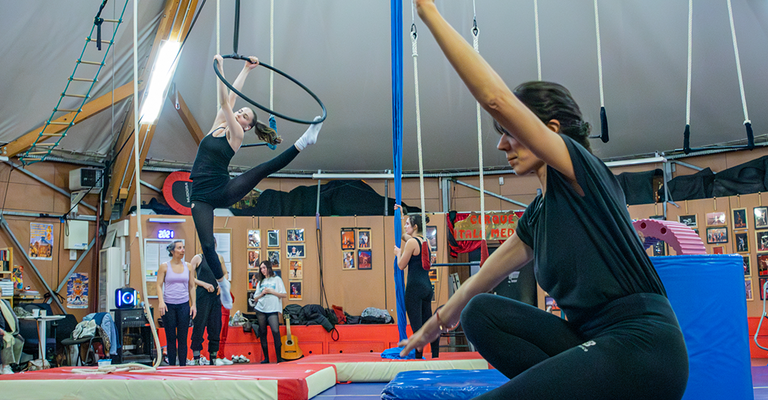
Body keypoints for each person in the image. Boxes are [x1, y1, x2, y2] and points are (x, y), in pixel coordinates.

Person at [400, 2, 690, 399]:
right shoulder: (539, 214)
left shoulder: (582, 174)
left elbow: (496, 99)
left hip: (641, 348)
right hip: (590, 343)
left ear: (550, 130)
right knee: (480, 312)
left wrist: (427, 11)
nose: (502, 143)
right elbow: (483, 279)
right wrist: (431, 327)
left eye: (510, 132)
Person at [190, 54, 323, 310]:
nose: (239, 113)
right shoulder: (217, 125)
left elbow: (225, 101)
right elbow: (230, 99)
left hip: (223, 190)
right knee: (207, 244)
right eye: (240, 111)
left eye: (243, 115)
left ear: (247, 127)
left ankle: (305, 140)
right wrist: (245, 69)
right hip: (200, 195)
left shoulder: (236, 134)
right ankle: (223, 284)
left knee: (262, 169)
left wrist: (220, 69)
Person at [394, 209, 439, 359]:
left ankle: (418, 359)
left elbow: (401, 265)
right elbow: (403, 235)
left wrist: (398, 253)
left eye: (408, 224)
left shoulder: (412, 243)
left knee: (417, 328)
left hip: (414, 288)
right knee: (428, 324)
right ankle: (436, 355)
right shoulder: (426, 243)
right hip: (427, 286)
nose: (406, 226)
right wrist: (400, 216)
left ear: (415, 227)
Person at [189, 239, 233, 367]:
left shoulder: (219, 258)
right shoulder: (197, 258)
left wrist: (222, 284)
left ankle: (213, 358)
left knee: (215, 326)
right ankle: (196, 357)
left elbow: (225, 273)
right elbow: (190, 278)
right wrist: (204, 284)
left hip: (215, 296)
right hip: (202, 295)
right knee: (199, 325)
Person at [156, 240, 196, 367]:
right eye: (179, 248)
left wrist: (193, 304)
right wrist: (161, 302)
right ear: (172, 251)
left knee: (183, 338)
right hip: (169, 305)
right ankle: (172, 366)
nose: (182, 250)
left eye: (183, 247)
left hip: (183, 304)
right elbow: (158, 285)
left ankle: (183, 365)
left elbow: (192, 286)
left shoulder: (188, 266)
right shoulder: (164, 266)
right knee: (171, 338)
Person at [249, 260, 287, 363]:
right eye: (261, 268)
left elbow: (284, 294)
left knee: (275, 331)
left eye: (264, 268)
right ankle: (266, 358)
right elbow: (255, 298)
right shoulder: (260, 282)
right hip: (261, 309)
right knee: (263, 332)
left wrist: (272, 291)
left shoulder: (277, 279)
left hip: (273, 309)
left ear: (269, 268)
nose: (262, 270)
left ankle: (279, 358)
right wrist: (263, 293)